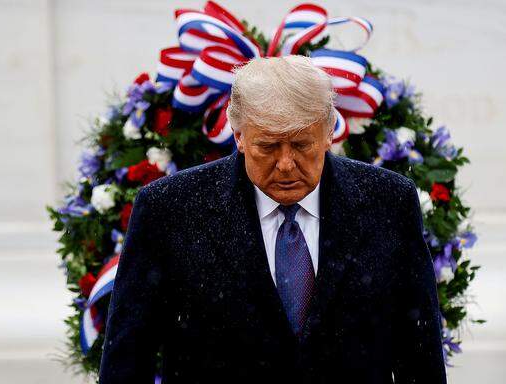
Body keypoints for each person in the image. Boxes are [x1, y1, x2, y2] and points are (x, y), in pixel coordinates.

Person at [98, 55, 447, 383]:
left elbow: (419, 352)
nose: (285, 164)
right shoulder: (168, 210)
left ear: (329, 133)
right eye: (267, 146)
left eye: (301, 145)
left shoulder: (388, 202)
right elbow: (128, 359)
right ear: (238, 135)